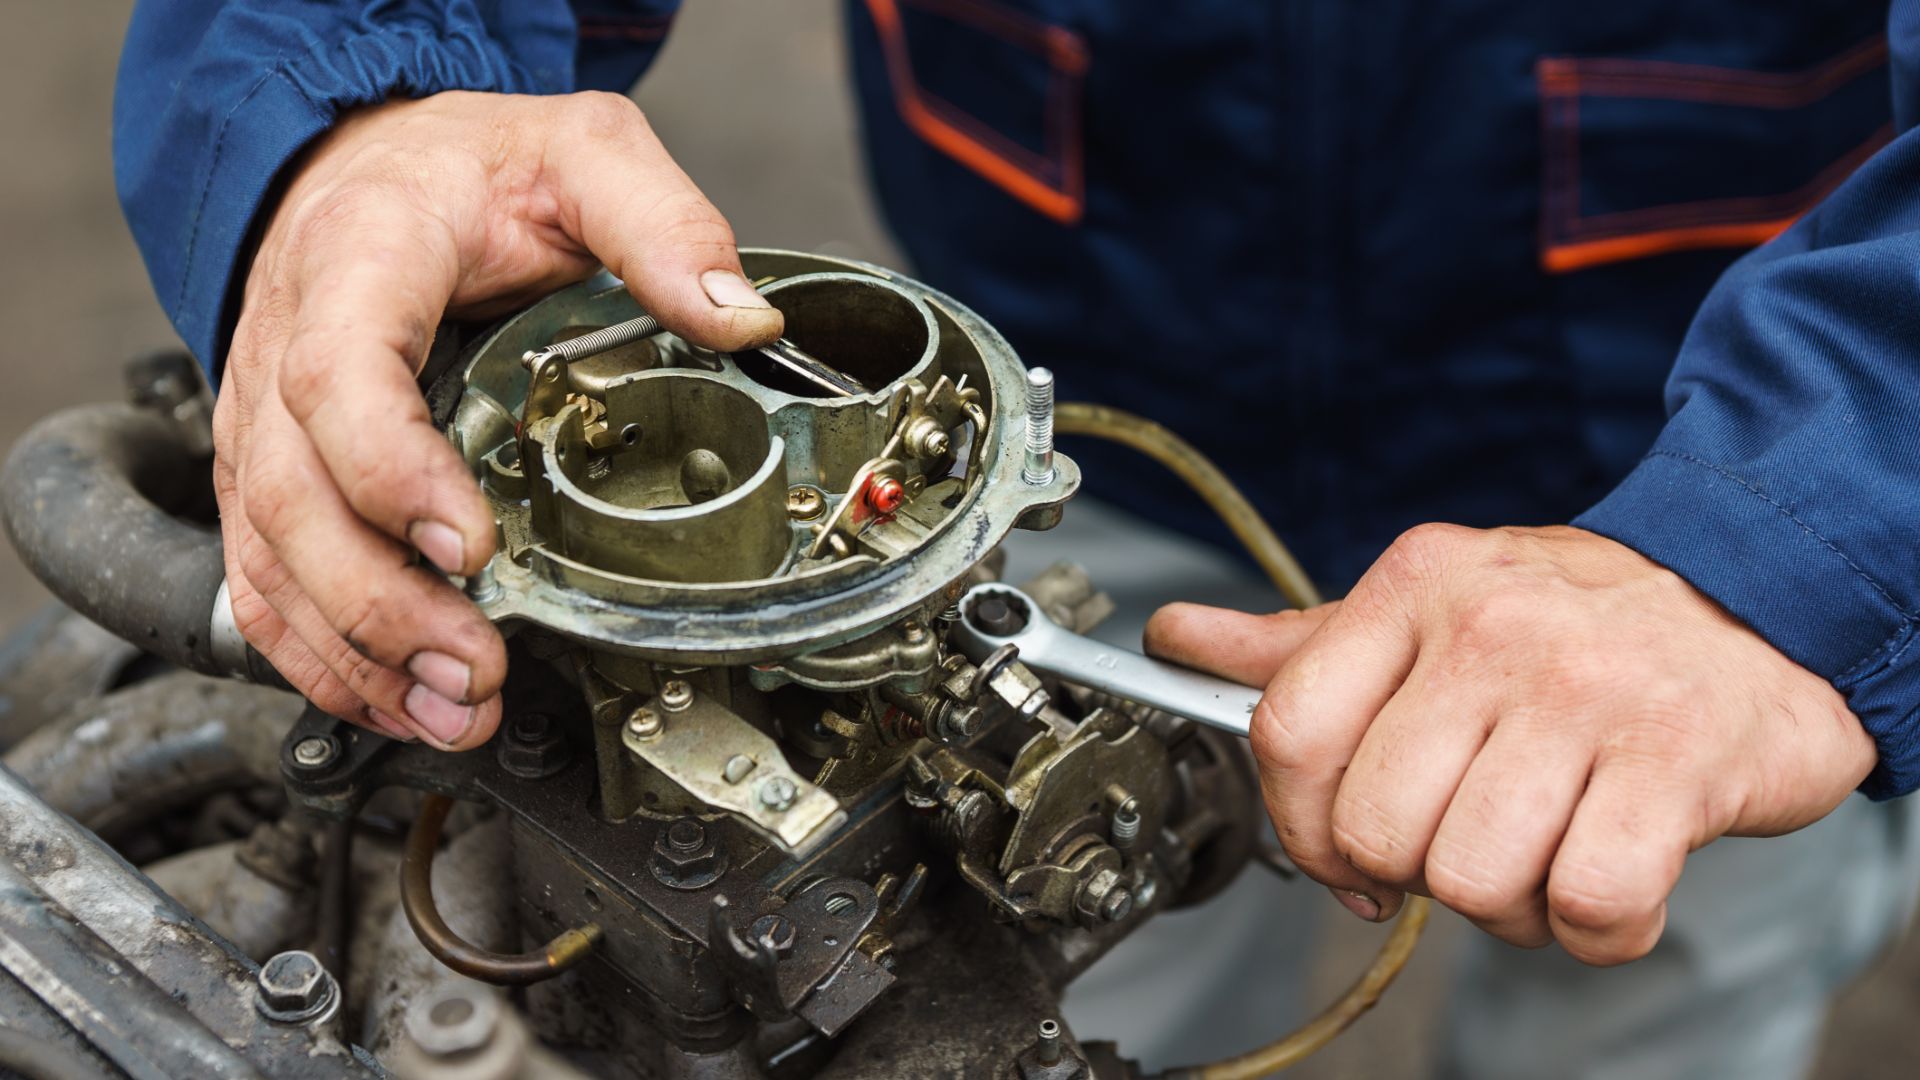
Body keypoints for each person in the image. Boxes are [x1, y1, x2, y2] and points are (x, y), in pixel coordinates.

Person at [113, 1, 1920, 1074]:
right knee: (1074, 943)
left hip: (1690, 537)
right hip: (1088, 384)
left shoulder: (1758, 556)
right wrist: (353, 101)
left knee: (1649, 967)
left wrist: (1805, 537)